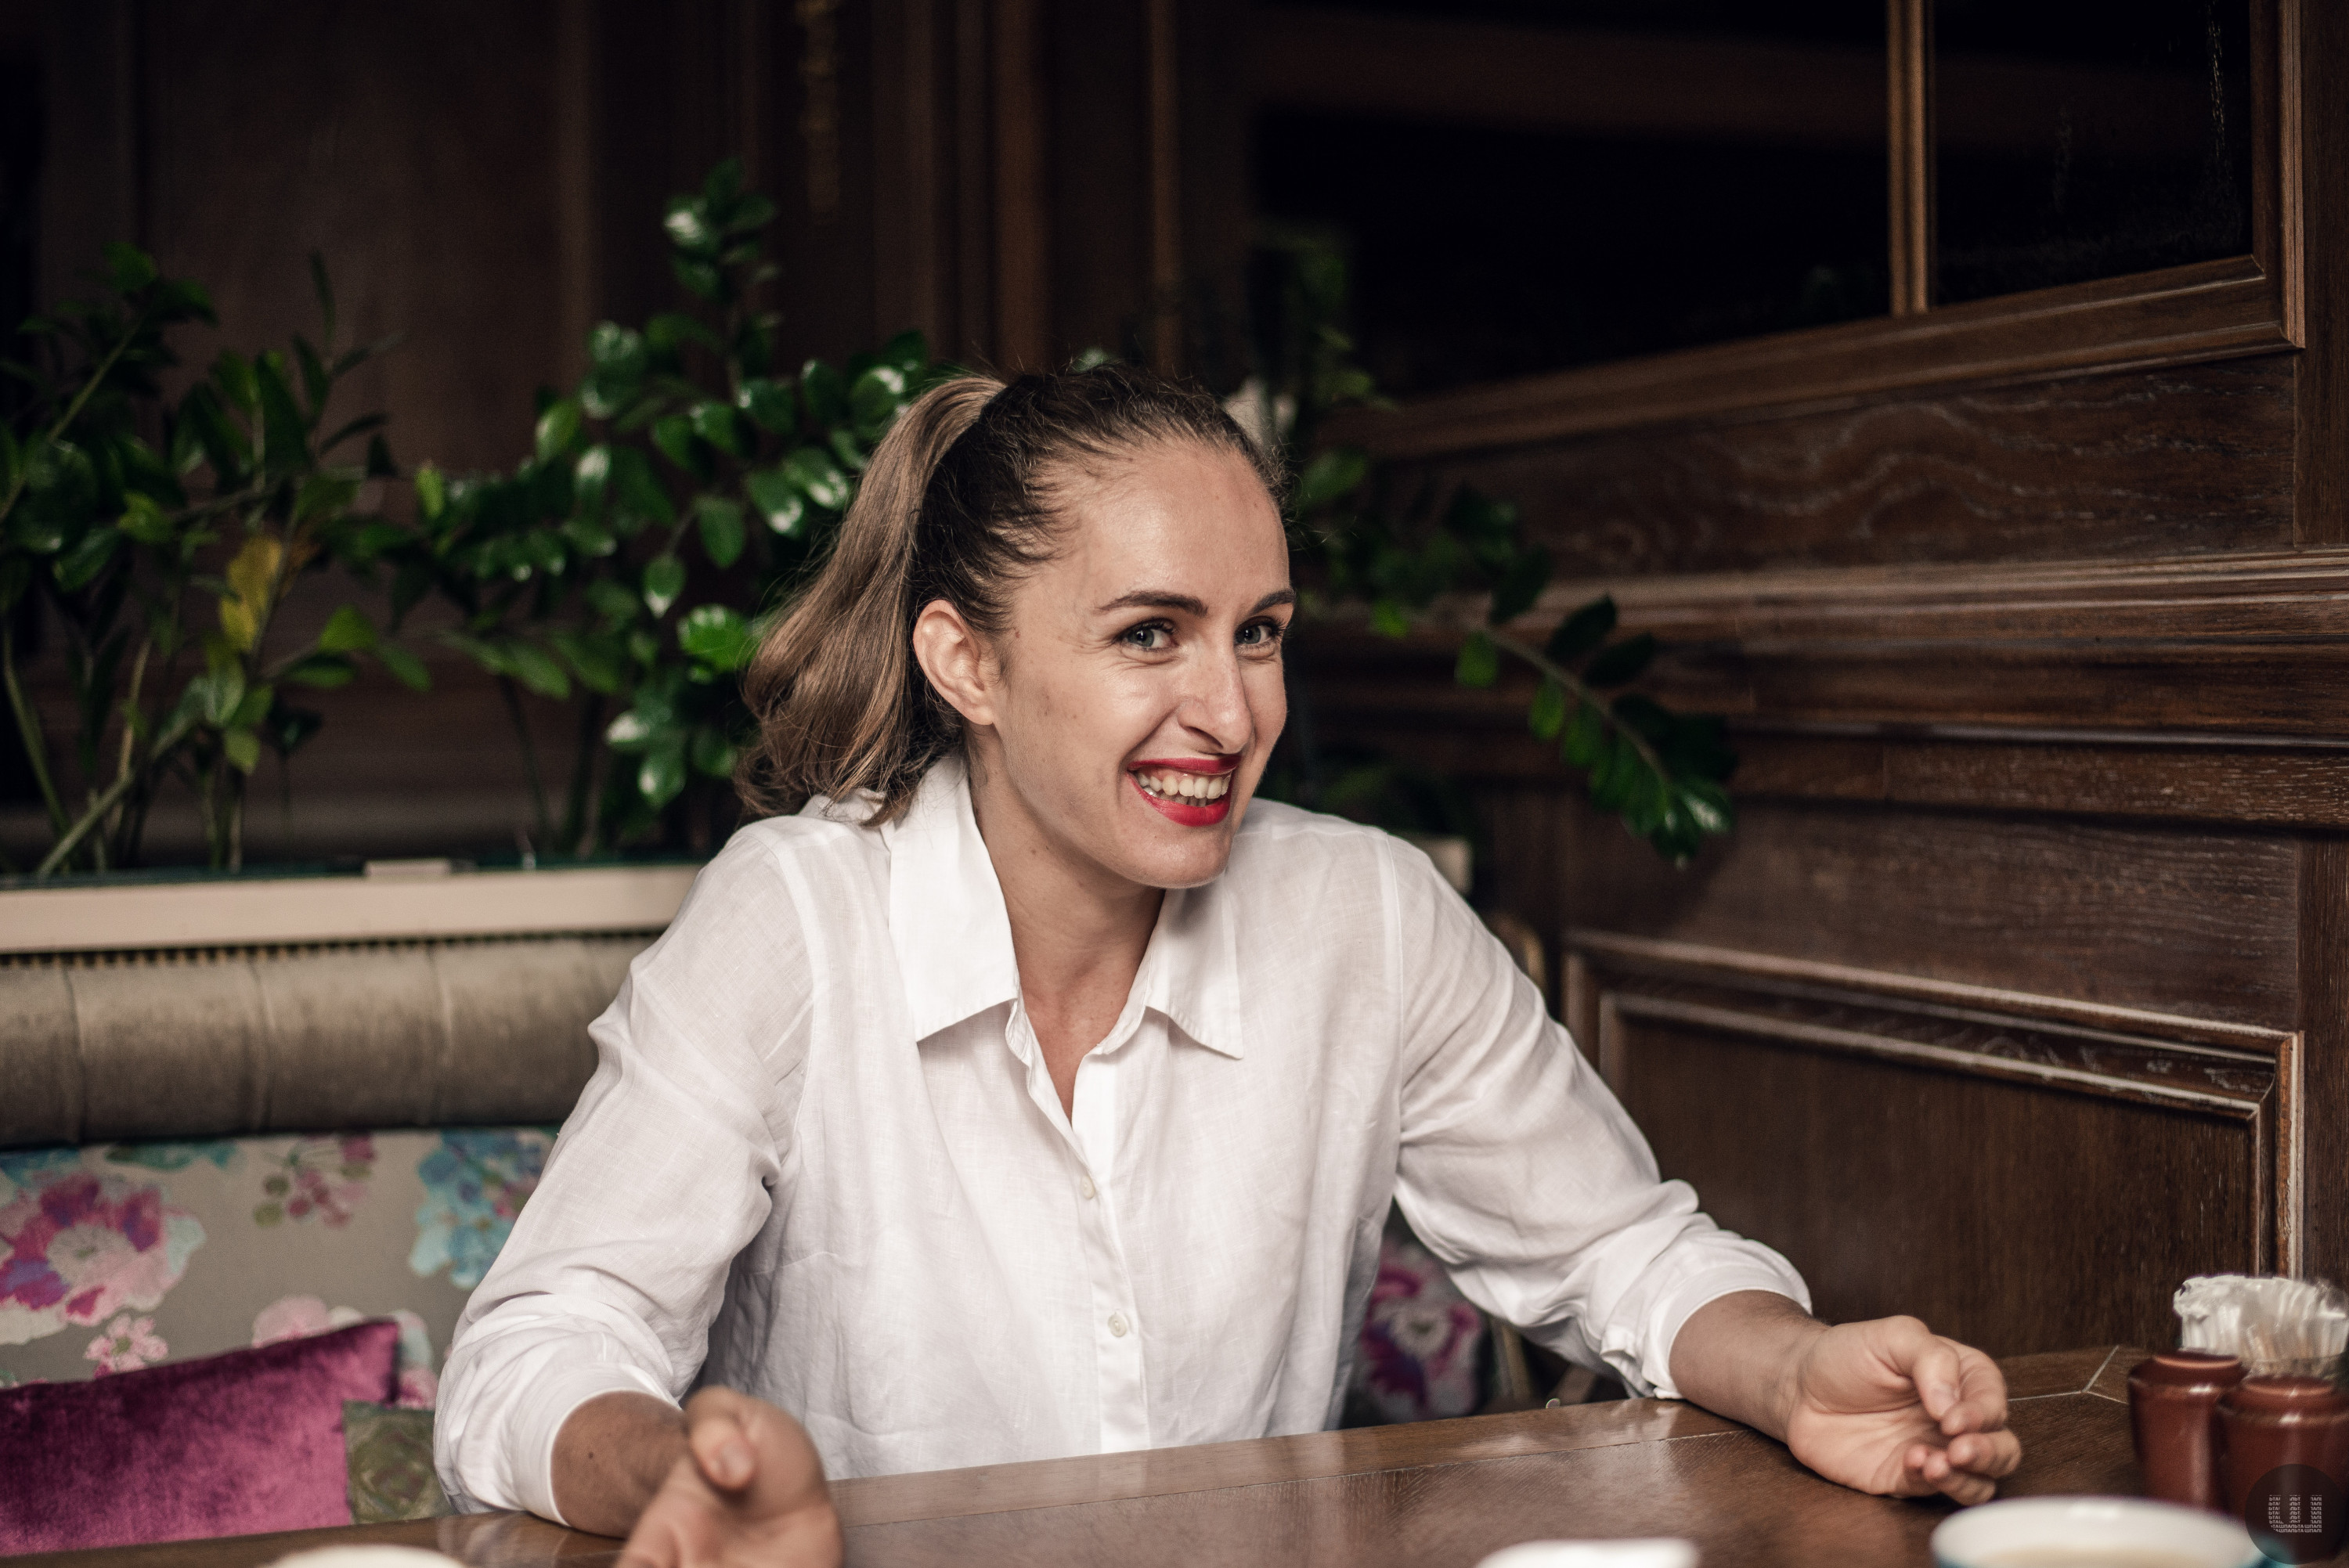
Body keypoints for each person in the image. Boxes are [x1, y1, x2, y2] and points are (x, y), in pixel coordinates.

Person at [434, 364, 2020, 1564]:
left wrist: (1798, 1372)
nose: (1234, 710)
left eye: (1258, 631)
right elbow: (535, 1349)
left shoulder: (1367, 915)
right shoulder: (792, 919)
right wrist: (686, 1482)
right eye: (1151, 634)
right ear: (965, 660)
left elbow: (1623, 1255)